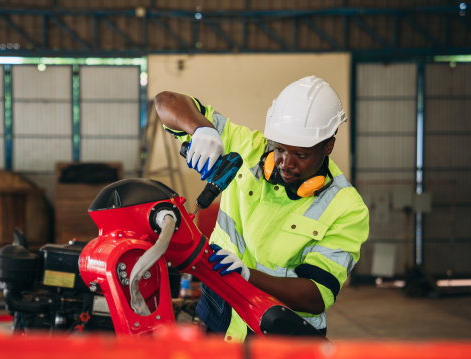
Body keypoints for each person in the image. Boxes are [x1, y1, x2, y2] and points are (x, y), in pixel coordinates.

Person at [154, 76, 369, 341]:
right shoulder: (247, 148)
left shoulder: (346, 207)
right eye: (279, 149)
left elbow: (316, 296)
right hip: (220, 310)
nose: (286, 163)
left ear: (328, 146)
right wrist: (201, 129)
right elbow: (166, 101)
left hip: (280, 327)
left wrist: (247, 275)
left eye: (300, 155)